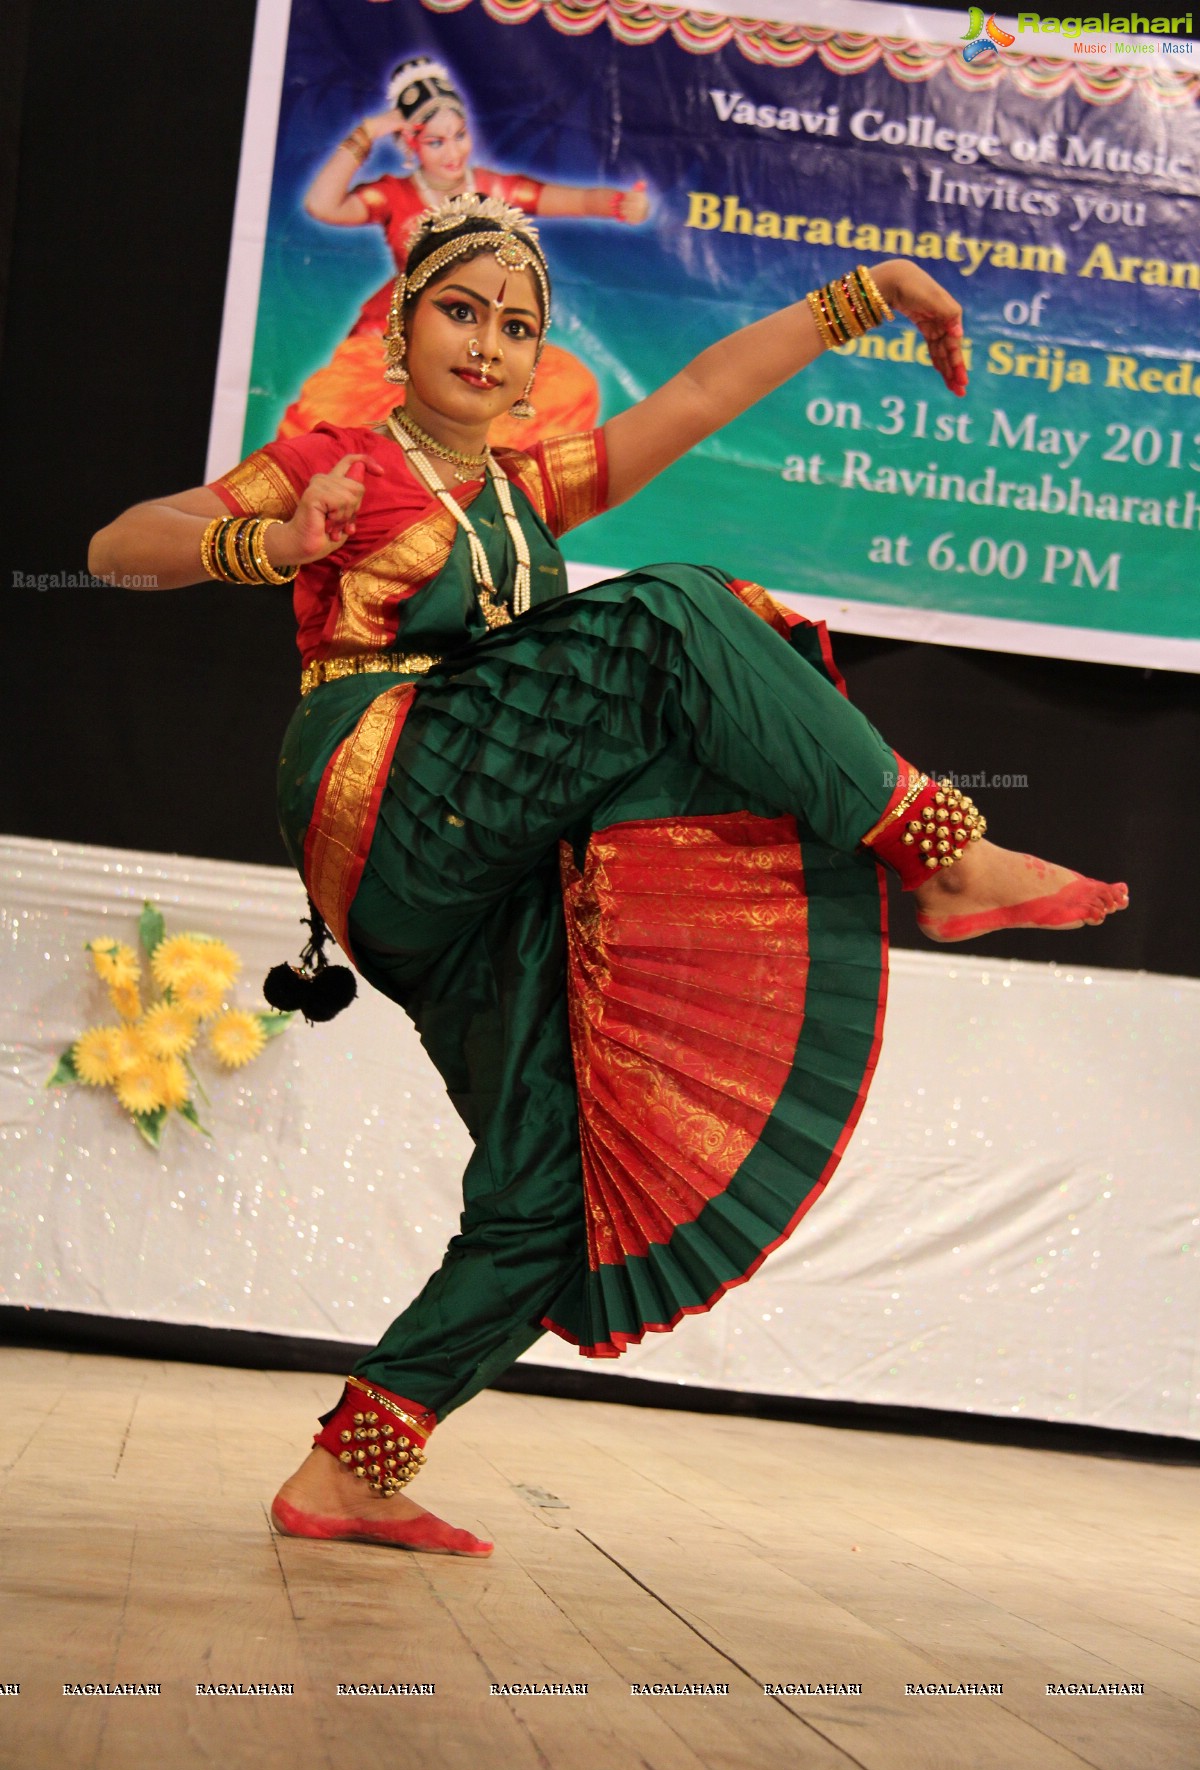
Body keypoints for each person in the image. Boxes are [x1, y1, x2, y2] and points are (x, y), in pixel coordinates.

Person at [90, 194, 1127, 1560]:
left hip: (476, 864)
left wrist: (868, 291)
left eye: (519, 327)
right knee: (667, 614)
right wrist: (270, 545)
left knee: (551, 1180)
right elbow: (118, 549)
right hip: (383, 781)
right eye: (461, 311)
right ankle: (942, 851)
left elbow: (699, 390)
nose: (491, 343)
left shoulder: (531, 486)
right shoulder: (336, 456)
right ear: (401, 329)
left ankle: (358, 1464)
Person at [277, 54, 649, 448]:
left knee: (570, 389)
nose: (452, 152)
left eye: (459, 135)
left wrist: (619, 203)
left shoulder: (496, 189)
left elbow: (575, 201)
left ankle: (471, 480)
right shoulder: (393, 195)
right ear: (410, 143)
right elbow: (322, 204)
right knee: (327, 421)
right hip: (399, 336)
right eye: (436, 141)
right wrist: (367, 132)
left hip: (483, 336)